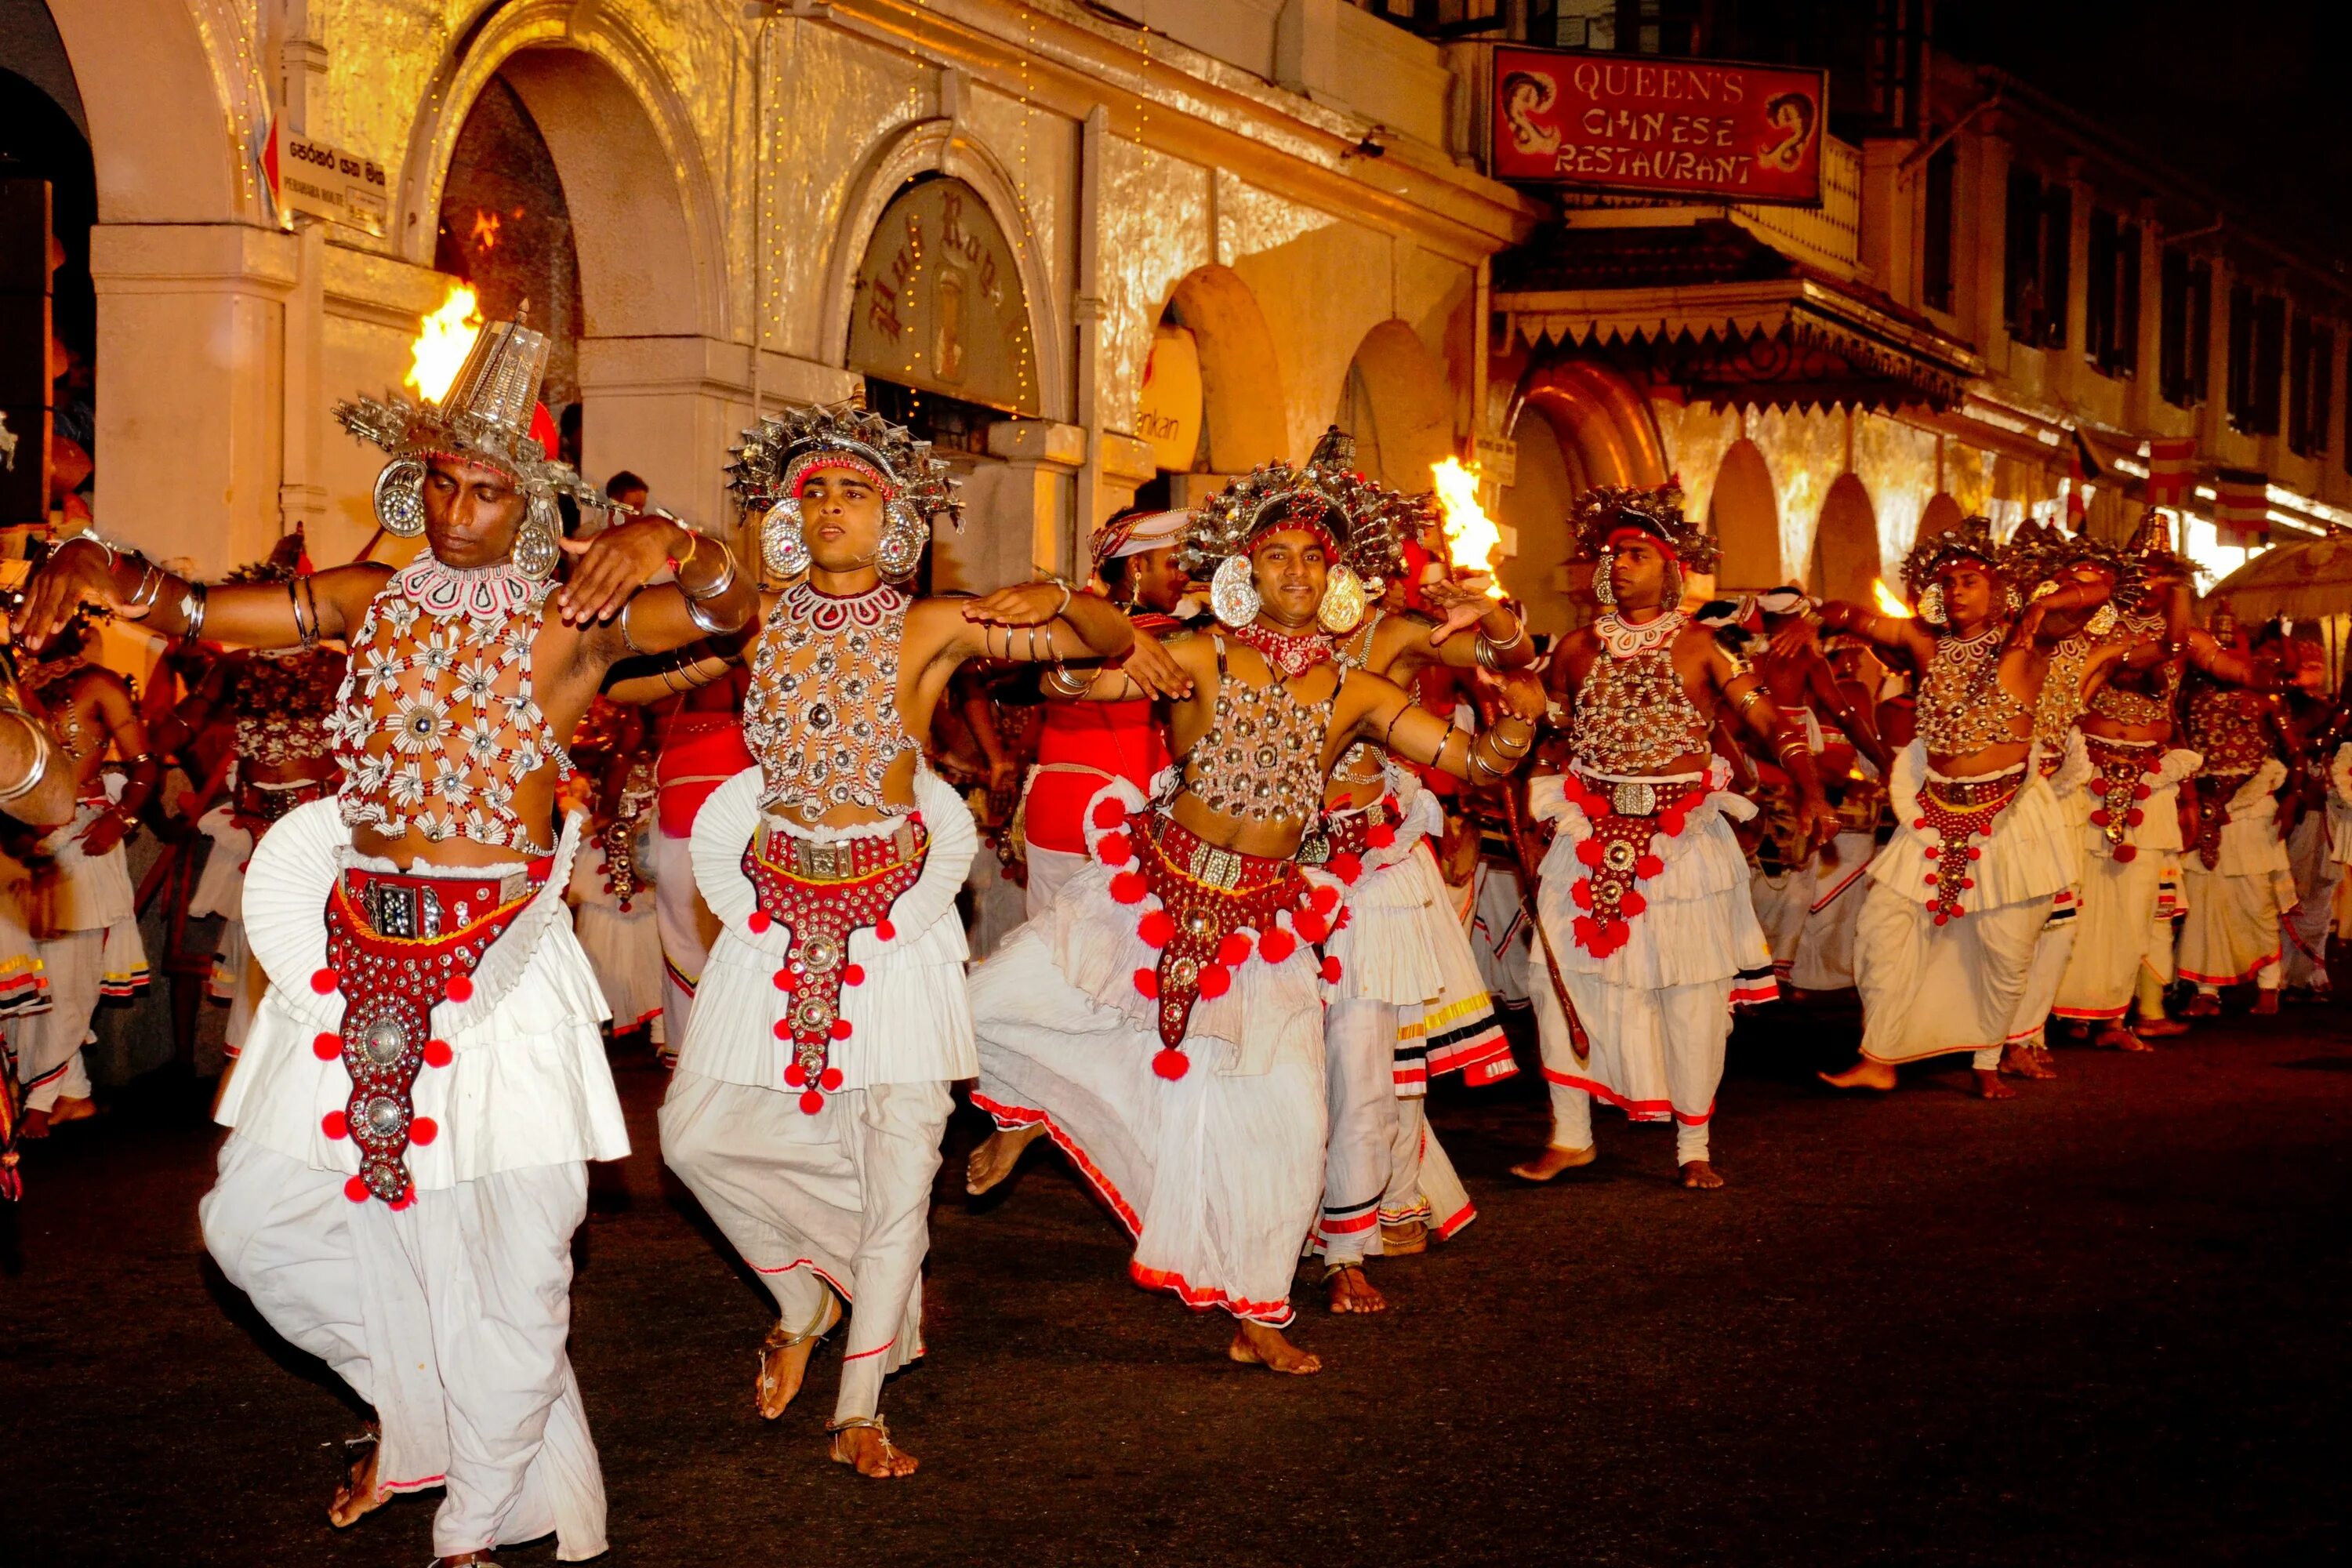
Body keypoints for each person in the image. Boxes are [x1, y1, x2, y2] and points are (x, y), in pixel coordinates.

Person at [17, 314, 757, 1566]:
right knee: (252, 1230)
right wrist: (105, 567)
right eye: (442, 484)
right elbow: (203, 611)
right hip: (359, 961)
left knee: (516, 1270)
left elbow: (737, 614)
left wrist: (673, 538)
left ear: (530, 507)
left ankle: (474, 1523)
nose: (457, 511)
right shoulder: (372, 598)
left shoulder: (572, 622)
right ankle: (434, 1411)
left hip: (504, 978)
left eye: (487, 490)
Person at [964, 456, 1546, 1374]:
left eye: (1311, 560)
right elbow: (1067, 687)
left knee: (1288, 1118)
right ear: (1243, 570)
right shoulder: (1201, 653)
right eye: (1274, 555)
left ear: (1337, 578)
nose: (1295, 574)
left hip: (1264, 924)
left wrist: (1521, 719)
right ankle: (1030, 1103)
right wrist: (1073, 623)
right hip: (1148, 889)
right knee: (989, 1001)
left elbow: (1470, 761)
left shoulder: (1357, 688)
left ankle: (1259, 1310)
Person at [656, 402, 1140, 1479]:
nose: (829, 508)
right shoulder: (755, 619)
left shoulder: (933, 625)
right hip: (772, 911)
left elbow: (1111, 640)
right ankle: (798, 1301)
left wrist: (1060, 598)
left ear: (897, 520)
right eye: (812, 491)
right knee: (692, 1134)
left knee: (897, 1165)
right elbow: (637, 653)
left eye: (854, 492)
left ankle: (861, 1407)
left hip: (894, 919)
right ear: (788, 516)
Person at [1514, 486, 1832, 1189]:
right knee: (1559, 980)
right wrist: (1533, 803)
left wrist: (1810, 787)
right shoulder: (1574, 648)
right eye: (1613, 555)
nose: (1621, 565)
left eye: (1636, 554)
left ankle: (1694, 1144)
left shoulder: (1703, 648)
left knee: (1687, 990)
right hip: (1586, 833)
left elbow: (1772, 724)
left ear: (1671, 570)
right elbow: (1549, 742)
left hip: (1681, 840)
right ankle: (1570, 1135)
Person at [1308, 434, 1530, 1310]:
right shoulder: (1241, 636)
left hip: (1368, 874)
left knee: (1364, 1061)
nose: (1307, 566)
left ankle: (1349, 1242)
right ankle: (1277, 1217)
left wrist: (1492, 607)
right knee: (1274, 1063)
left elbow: (1509, 658)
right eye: (1287, 548)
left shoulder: (1392, 632)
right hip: (1268, 873)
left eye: (1326, 545)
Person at [1811, 514, 2109, 1100]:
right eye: (1946, 583)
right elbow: (1857, 618)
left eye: (1969, 580)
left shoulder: (2027, 643)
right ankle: (1880, 1056)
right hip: (1932, 816)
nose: (1954, 591)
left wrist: (2043, 605)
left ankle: (1988, 1059)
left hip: (2007, 817)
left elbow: (2100, 592)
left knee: (2002, 947)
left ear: (1997, 591)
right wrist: (1810, 615)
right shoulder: (1927, 642)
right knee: (1881, 932)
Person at [159, 539, 347, 1069]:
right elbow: (183, 723)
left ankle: (318, 1058)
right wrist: (152, 748)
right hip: (250, 822)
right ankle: (256, 1065)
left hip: (317, 821)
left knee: (316, 938)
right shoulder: (237, 666)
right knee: (254, 941)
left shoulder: (336, 668)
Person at [11, 612, 155, 1135]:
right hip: (27, 847)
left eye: (38, 617)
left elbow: (146, 767)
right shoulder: (15, 684)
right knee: (32, 979)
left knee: (69, 982)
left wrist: (121, 820)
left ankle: (39, 1103)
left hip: (84, 840)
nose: (26, 627)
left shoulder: (100, 685)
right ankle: (73, 1095)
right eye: (19, 618)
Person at [1019, 508, 1186, 917]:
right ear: (1136, 565)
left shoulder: (1072, 626)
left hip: (1054, 805)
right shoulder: (1163, 636)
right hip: (1110, 815)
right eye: (1175, 561)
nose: (1185, 574)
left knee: (1051, 953)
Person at [2177, 609, 2299, 1017]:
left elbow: (2294, 754)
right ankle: (2206, 991)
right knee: (2203, 903)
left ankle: (2269, 984)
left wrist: (2290, 800)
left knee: (2256, 898)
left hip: (2253, 806)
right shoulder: (2188, 696)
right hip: (2205, 806)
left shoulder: (2266, 696)